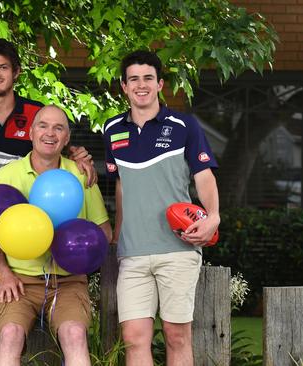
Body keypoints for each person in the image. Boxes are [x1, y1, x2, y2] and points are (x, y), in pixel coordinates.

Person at [103, 50, 220, 365]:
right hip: (133, 253)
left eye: (148, 78)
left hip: (177, 250)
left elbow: (204, 176)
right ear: (124, 87)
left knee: (176, 335)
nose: (141, 85)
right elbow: (121, 185)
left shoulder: (184, 125)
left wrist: (214, 218)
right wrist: (117, 234)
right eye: (133, 79)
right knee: (134, 339)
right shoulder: (111, 129)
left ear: (160, 84)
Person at [0, 105, 113, 366]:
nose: (50, 133)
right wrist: (3, 273)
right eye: (43, 126)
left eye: (59, 128)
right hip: (19, 282)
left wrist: (82, 253)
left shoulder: (81, 175)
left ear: (67, 138)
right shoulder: (6, 175)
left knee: (74, 333)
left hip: (68, 281)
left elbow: (104, 232)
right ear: (31, 132)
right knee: (10, 335)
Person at [0, 37, 97, 184]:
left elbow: (60, 152)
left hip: (27, 201)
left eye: (3, 67)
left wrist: (77, 158)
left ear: (16, 72)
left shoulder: (37, 113)